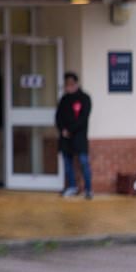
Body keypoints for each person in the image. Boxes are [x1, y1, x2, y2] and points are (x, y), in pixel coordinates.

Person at [56, 71, 93, 199]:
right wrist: (62, 129)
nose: (69, 87)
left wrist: (70, 130)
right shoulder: (64, 99)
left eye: (71, 84)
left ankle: (88, 189)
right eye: (67, 84)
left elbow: (83, 119)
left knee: (83, 162)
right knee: (67, 164)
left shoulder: (85, 98)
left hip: (79, 137)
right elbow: (58, 117)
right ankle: (72, 187)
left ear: (76, 84)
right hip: (65, 138)